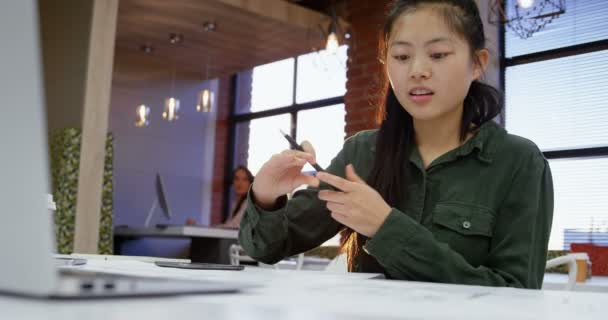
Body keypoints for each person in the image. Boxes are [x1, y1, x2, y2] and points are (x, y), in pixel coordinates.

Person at [239, 0, 553, 289]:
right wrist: (266, 196)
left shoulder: (519, 161)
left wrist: (387, 228)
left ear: (477, 63)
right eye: (401, 56)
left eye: (438, 54)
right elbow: (266, 249)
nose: (417, 71)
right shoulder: (362, 152)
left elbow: (517, 295)